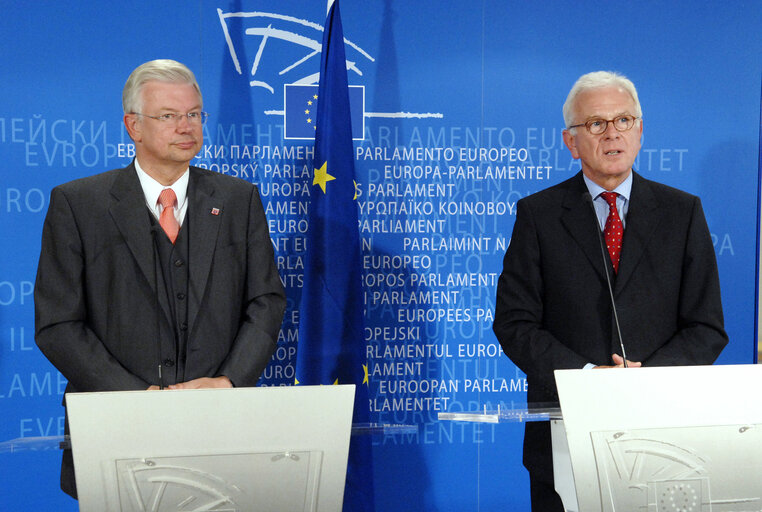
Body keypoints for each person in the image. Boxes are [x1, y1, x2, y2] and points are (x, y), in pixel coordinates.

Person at [34, 59, 286, 498]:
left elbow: (266, 302)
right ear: (134, 126)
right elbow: (58, 324)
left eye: (194, 114)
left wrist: (228, 382)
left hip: (219, 426)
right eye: (168, 116)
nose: (185, 126)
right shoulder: (78, 204)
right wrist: (137, 397)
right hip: (114, 425)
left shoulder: (238, 199)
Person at [492, 71, 727, 511]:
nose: (612, 133)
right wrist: (585, 378)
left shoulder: (683, 213)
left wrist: (646, 381)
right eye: (596, 124)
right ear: (571, 141)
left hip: (663, 434)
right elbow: (514, 322)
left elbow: (706, 326)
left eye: (623, 120)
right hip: (565, 436)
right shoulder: (538, 215)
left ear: (640, 131)